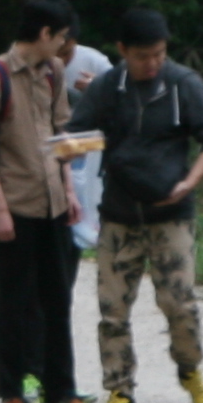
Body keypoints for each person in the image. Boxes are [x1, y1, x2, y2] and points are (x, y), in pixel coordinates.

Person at [57, 9, 203, 403]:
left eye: (159, 55)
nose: (152, 64)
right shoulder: (107, 87)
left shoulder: (183, 84)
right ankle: (120, 392)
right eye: (143, 56)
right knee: (113, 308)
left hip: (171, 213)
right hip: (119, 214)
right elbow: (76, 135)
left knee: (179, 302)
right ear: (122, 51)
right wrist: (69, 149)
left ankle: (190, 369)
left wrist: (190, 182)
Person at [0, 0, 79, 403]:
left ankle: (61, 389)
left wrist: (69, 192)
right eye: (61, 36)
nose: (64, 45)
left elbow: (61, 131)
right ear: (45, 33)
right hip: (13, 203)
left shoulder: (54, 72)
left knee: (58, 298)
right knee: (15, 298)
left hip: (53, 200)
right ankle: (11, 389)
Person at [59, 37, 114, 253]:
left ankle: (88, 232)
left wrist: (97, 88)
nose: (61, 60)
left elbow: (121, 93)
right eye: (57, 54)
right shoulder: (40, 63)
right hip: (58, 140)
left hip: (88, 143)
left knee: (86, 191)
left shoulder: (94, 60)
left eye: (66, 54)